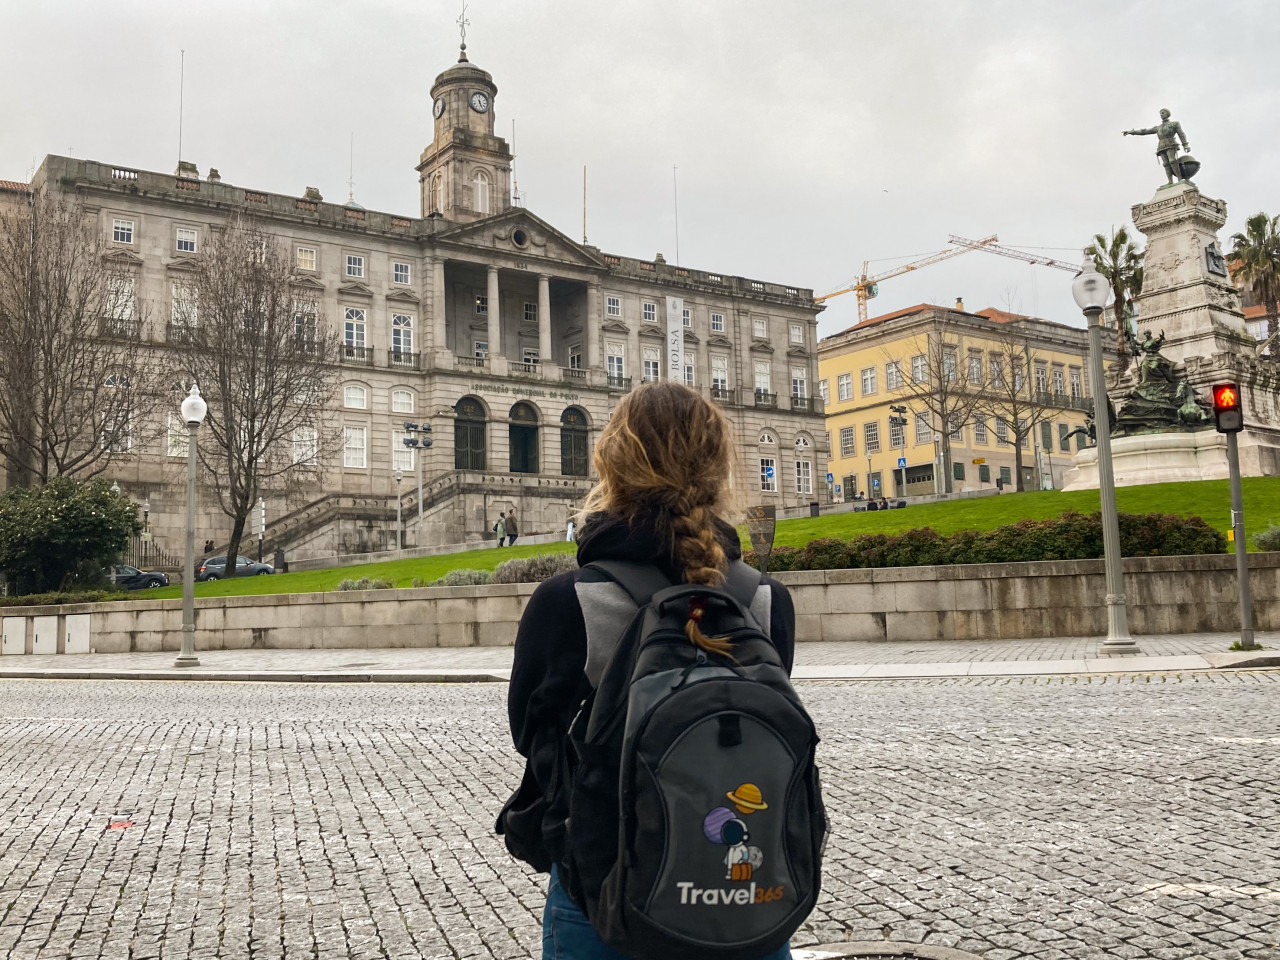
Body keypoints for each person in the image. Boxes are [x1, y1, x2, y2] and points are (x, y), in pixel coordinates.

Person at [504, 381, 796, 959]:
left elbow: (531, 736)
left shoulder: (570, 602)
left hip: (607, 897)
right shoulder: (765, 600)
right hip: (745, 898)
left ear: (611, 460)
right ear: (717, 466)